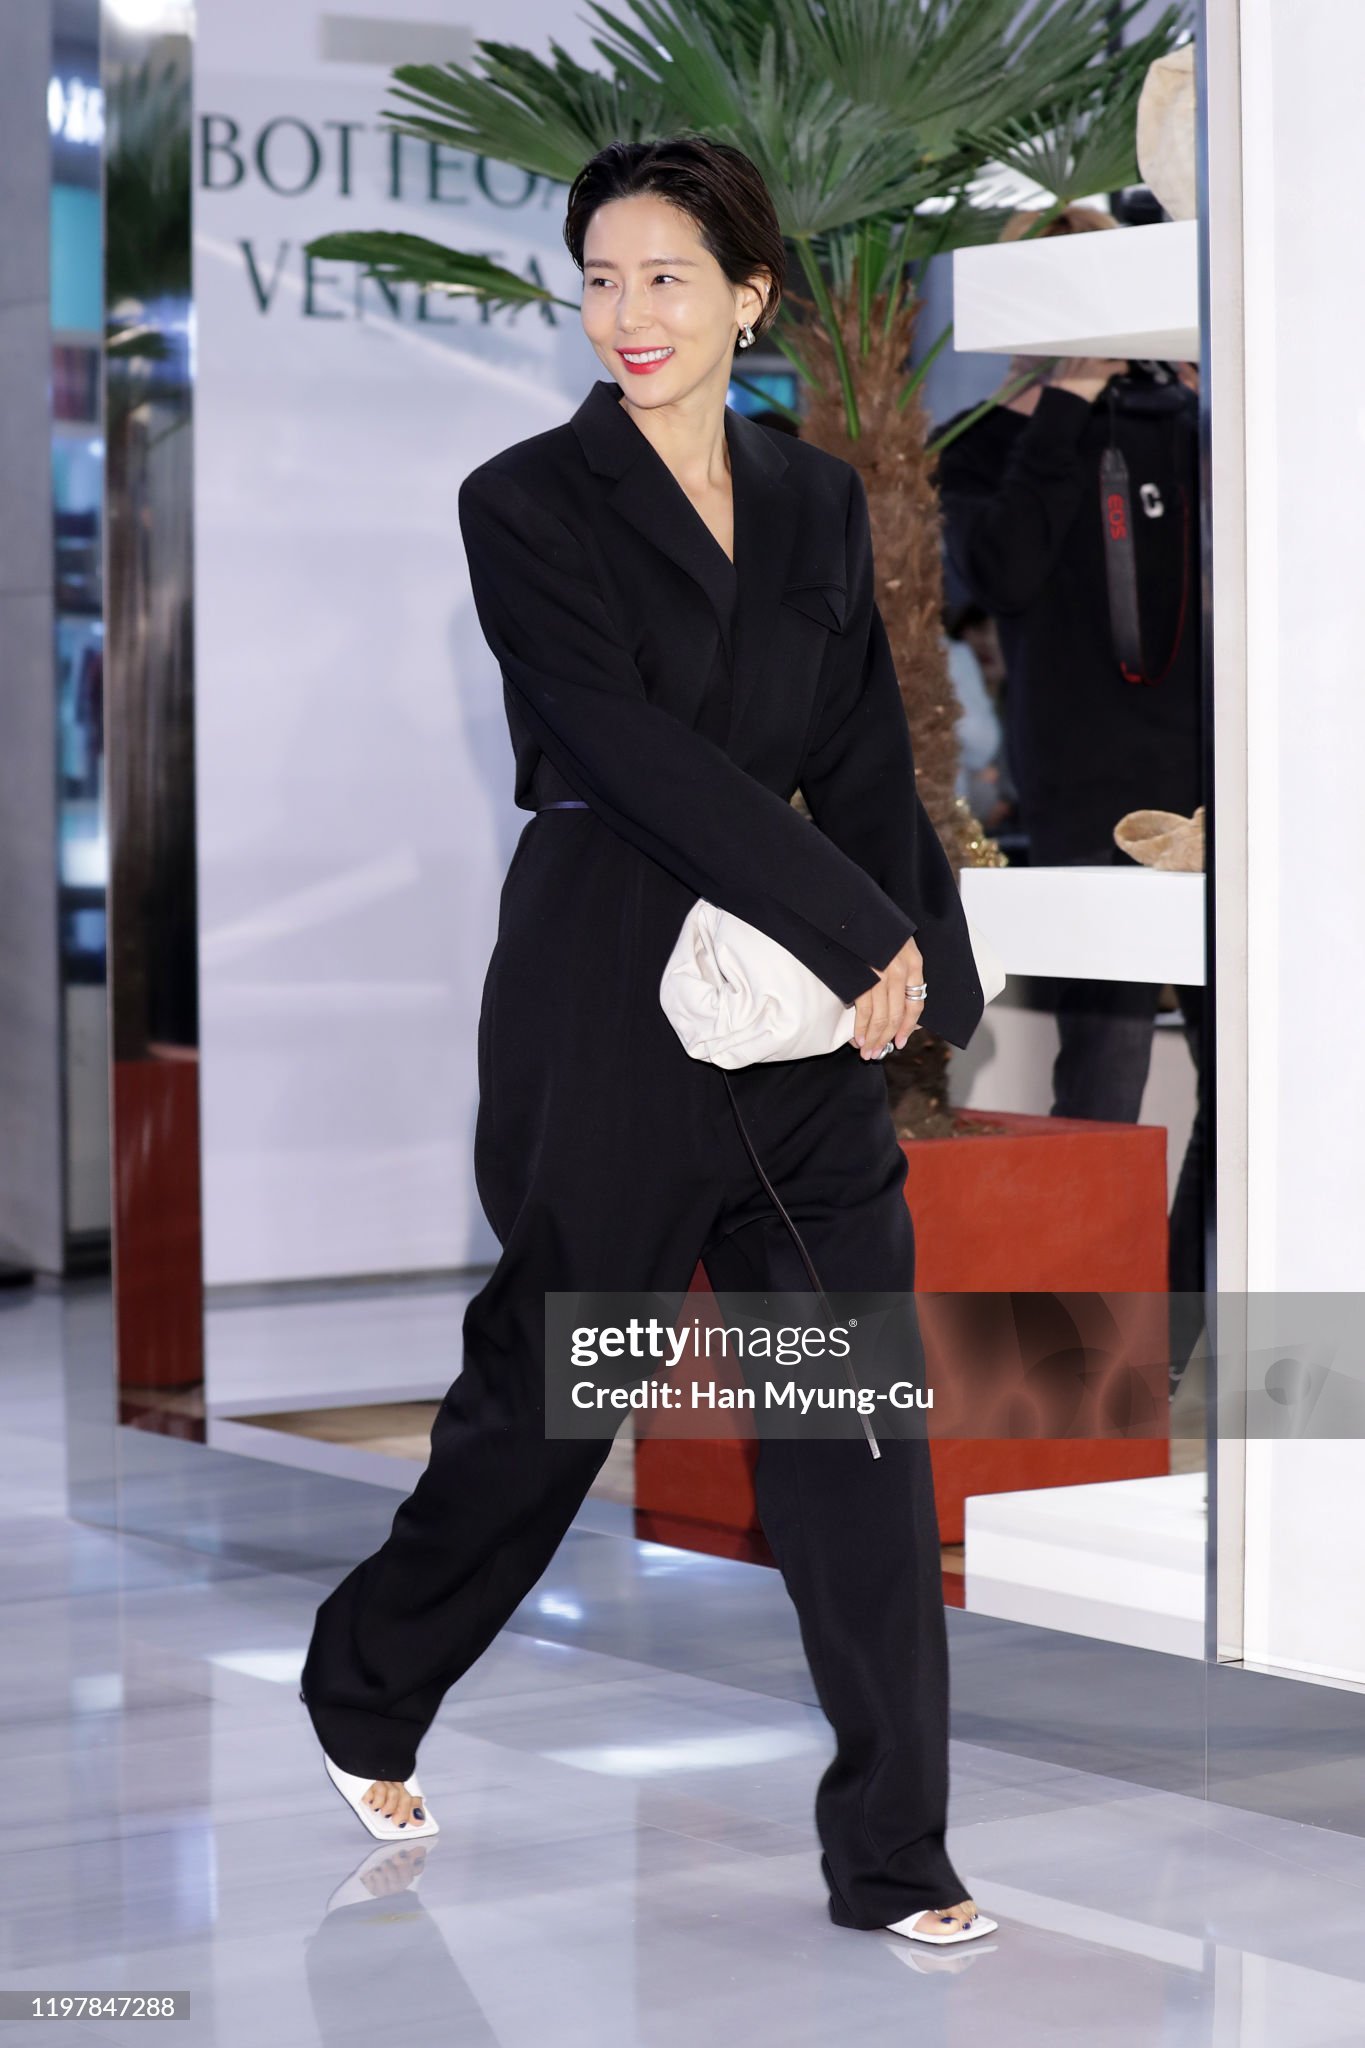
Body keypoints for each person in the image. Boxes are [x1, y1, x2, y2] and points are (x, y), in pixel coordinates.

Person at [301, 135, 996, 1949]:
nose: (628, 312)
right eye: (602, 278)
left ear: (748, 295)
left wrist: (925, 960)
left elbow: (862, 754)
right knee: (555, 1397)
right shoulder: (525, 501)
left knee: (851, 1425)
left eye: (667, 277)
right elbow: (632, 752)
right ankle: (368, 1677)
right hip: (608, 984)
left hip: (793, 1016)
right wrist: (851, 925)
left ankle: (896, 1854)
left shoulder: (818, 500)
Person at [936, 248, 1205, 1345]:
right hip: (1088, 793)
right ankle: (1077, 1351)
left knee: (1245, 1086)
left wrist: (1202, 402)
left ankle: (1174, 1335)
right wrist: (1067, 401)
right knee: (1104, 1078)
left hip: (1220, 788)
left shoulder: (1186, 421)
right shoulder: (979, 444)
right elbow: (998, 573)